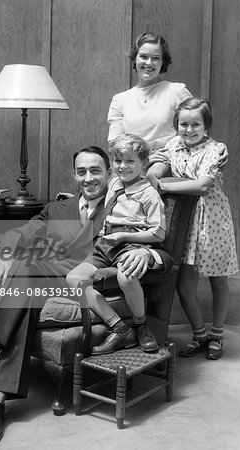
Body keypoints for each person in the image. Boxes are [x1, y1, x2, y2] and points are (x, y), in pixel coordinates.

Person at [0, 146, 172, 446]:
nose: (88, 178)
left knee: (29, 279)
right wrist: (7, 255)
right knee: (25, 269)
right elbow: (19, 232)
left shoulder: (125, 204)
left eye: (95, 170)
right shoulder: (57, 208)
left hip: (90, 284)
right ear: (74, 175)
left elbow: (163, 247)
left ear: (109, 172)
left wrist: (147, 252)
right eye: (81, 172)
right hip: (52, 277)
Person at [146, 98, 238, 361]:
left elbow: (202, 186)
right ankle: (199, 334)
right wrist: (156, 168)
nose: (188, 130)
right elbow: (158, 158)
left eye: (195, 124)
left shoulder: (215, 149)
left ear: (206, 126)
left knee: (218, 279)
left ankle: (217, 335)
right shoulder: (174, 144)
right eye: (183, 124)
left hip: (212, 218)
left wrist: (162, 185)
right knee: (184, 284)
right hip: (184, 219)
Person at [67, 134, 166, 355]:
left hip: (130, 243)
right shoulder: (113, 183)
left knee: (125, 277)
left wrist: (123, 238)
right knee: (74, 277)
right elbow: (95, 196)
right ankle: (119, 327)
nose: (123, 166)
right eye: (118, 161)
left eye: (130, 161)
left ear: (143, 164)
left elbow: (158, 232)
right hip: (105, 244)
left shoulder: (149, 194)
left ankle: (140, 324)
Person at [107, 32, 192, 153]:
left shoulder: (177, 92)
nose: (149, 63)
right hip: (133, 164)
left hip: (170, 162)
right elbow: (114, 145)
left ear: (163, 62)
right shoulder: (120, 100)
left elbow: (195, 131)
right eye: (144, 56)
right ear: (135, 58)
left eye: (156, 58)